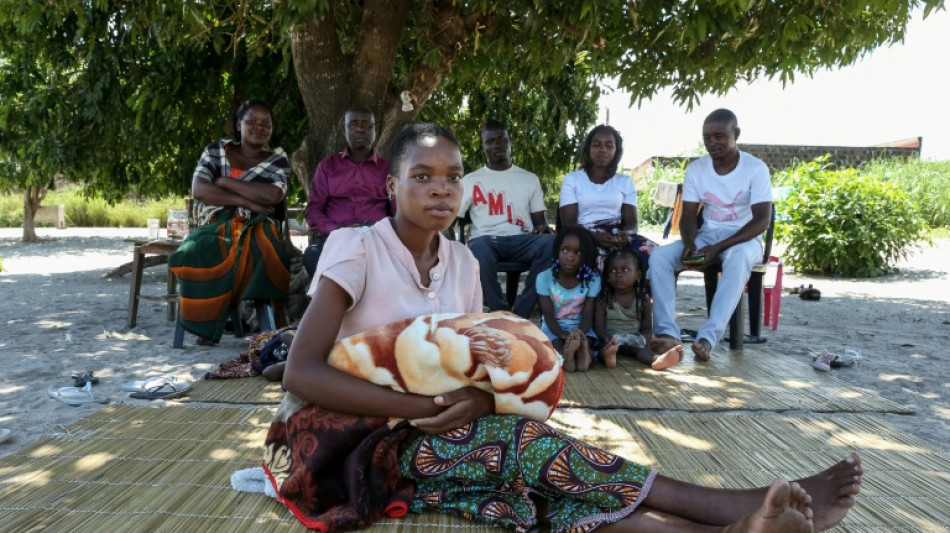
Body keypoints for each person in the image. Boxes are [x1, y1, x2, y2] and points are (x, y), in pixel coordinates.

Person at [263, 122, 863, 533]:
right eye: (422, 175)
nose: (441, 187)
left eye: (453, 175)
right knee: (525, 449)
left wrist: (471, 397)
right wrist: (423, 406)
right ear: (391, 186)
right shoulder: (355, 248)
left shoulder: (466, 263)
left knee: (532, 489)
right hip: (348, 438)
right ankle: (736, 505)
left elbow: (477, 367)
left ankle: (732, 527)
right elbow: (302, 370)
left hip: (432, 429)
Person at [647, 109, 774, 361]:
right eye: (707, 137)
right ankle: (667, 334)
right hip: (707, 235)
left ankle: (707, 338)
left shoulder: (755, 169)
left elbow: (762, 220)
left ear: (735, 134)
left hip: (745, 239)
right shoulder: (697, 169)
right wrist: (691, 243)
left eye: (719, 136)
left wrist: (718, 248)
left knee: (737, 259)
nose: (712, 142)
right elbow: (688, 215)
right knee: (660, 257)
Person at [170, 99, 291, 346]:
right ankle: (207, 324)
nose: (259, 127)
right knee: (197, 249)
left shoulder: (277, 159)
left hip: (259, 223)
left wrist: (226, 182)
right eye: (252, 122)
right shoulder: (215, 151)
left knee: (265, 247)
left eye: (265, 123)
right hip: (214, 221)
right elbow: (200, 189)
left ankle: (269, 321)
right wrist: (251, 202)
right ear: (239, 124)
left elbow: (273, 195)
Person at [458, 119, 554, 318]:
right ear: (483, 146)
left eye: (501, 139)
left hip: (522, 240)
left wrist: (544, 230)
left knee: (551, 243)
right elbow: (454, 216)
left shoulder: (529, 178)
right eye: (490, 141)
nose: (496, 145)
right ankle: (499, 311)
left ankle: (521, 313)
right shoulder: (471, 180)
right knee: (477, 247)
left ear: (510, 141)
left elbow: (540, 223)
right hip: (487, 240)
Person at [302, 105, 392, 277]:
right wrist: (337, 230)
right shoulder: (328, 166)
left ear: (375, 130)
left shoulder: (387, 169)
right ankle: (333, 303)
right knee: (312, 256)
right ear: (344, 131)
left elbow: (397, 210)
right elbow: (313, 210)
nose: (360, 129)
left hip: (377, 238)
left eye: (366, 125)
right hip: (334, 237)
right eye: (353, 125)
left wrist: (381, 231)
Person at [559, 125, 655, 273]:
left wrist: (626, 234)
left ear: (616, 151)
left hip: (616, 235)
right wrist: (594, 236)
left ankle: (641, 296)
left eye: (609, 145)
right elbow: (569, 223)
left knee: (657, 256)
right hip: (583, 234)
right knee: (604, 259)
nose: (602, 149)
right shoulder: (573, 179)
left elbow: (632, 223)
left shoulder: (625, 181)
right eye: (596, 145)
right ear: (588, 149)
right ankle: (601, 296)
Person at [595, 249, 683, 371]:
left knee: (642, 350)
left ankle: (657, 360)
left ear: (638, 275)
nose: (618, 274)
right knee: (601, 349)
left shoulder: (643, 299)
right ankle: (609, 357)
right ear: (607, 277)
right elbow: (598, 326)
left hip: (634, 339)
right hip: (611, 339)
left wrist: (645, 339)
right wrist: (607, 338)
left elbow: (647, 326)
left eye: (625, 270)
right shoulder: (604, 298)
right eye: (613, 271)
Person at [536, 226, 601, 373]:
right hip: (554, 329)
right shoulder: (544, 278)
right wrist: (563, 335)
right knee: (555, 345)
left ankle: (582, 355)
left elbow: (587, 315)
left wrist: (579, 334)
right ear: (557, 251)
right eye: (565, 250)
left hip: (582, 329)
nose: (570, 257)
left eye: (578, 252)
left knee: (588, 342)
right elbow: (549, 316)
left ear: (587, 255)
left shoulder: (593, 279)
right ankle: (570, 357)